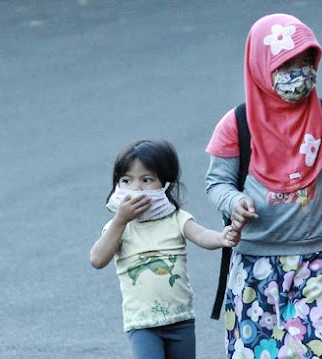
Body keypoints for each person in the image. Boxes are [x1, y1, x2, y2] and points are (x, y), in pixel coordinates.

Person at [205, 14, 322, 358]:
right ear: (260, 66)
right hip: (255, 265)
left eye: (306, 62)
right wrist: (233, 202)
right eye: (287, 64)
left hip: (318, 262)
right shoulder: (237, 125)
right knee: (255, 351)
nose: (299, 74)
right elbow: (217, 183)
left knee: (321, 350)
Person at [90, 139, 240, 359]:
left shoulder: (176, 219)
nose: (136, 188)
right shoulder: (119, 227)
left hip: (180, 319)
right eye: (126, 180)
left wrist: (222, 238)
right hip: (142, 323)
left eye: (147, 179)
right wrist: (120, 220)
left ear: (166, 183)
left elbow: (200, 235)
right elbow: (97, 259)